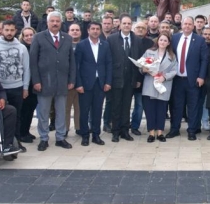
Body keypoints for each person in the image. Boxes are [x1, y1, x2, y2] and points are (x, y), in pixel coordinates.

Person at [29, 11, 76, 151]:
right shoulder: (38, 37)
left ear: (61, 22)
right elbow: (33, 61)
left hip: (62, 81)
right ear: (48, 23)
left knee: (61, 111)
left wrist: (71, 79)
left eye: (57, 21)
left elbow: (71, 61)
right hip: (44, 82)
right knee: (43, 112)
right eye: (52, 21)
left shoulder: (67, 38)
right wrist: (36, 80)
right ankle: (43, 138)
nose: (55, 23)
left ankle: (60, 138)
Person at [0, 20, 30, 152]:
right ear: (1, 30)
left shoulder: (22, 48)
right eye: (6, 30)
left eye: (12, 30)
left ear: (16, 31)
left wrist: (25, 87)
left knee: (17, 116)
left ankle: (16, 141)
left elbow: (27, 69)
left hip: (17, 87)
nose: (9, 33)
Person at [106, 14, 146, 143]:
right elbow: (108, 60)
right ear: (120, 25)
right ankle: (115, 132)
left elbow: (140, 61)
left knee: (127, 106)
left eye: (129, 23)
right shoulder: (111, 39)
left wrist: (138, 79)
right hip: (116, 78)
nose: (127, 25)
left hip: (131, 79)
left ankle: (125, 131)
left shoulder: (137, 40)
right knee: (116, 106)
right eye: (124, 23)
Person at [169, 17, 209, 140]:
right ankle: (174, 129)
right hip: (177, 79)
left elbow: (204, 60)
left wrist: (201, 76)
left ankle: (192, 130)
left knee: (193, 106)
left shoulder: (200, 40)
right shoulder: (174, 38)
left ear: (193, 26)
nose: (187, 26)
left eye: (189, 24)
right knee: (176, 106)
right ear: (181, 24)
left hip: (192, 80)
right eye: (185, 24)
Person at [74, 22, 112, 146]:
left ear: (100, 31)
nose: (95, 31)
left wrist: (107, 82)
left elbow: (108, 64)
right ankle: (85, 135)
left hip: (100, 83)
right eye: (93, 29)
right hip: (85, 84)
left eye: (97, 29)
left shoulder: (105, 45)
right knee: (84, 111)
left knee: (97, 110)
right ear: (88, 30)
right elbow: (76, 66)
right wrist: (78, 84)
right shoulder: (81, 45)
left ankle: (96, 135)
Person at [141, 32, 177, 143]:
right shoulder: (149, 52)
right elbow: (141, 64)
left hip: (163, 85)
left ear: (168, 43)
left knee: (161, 110)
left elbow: (174, 70)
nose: (162, 42)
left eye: (165, 40)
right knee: (150, 109)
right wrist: (144, 69)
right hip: (150, 84)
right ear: (158, 41)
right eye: (161, 40)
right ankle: (151, 132)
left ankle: (160, 132)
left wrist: (164, 77)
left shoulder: (172, 56)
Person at [18, 28, 37, 143]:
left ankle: (26, 131)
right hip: (23, 83)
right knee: (23, 109)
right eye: (26, 36)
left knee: (31, 109)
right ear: (23, 37)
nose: (29, 37)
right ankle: (21, 133)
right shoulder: (21, 48)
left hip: (35, 83)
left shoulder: (37, 47)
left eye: (31, 35)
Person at [64, 23, 82, 136]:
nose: (75, 32)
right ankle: (65, 128)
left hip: (81, 82)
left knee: (79, 108)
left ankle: (79, 127)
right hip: (67, 82)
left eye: (77, 30)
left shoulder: (85, 44)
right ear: (68, 32)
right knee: (66, 108)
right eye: (72, 30)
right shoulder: (64, 45)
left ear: (80, 32)